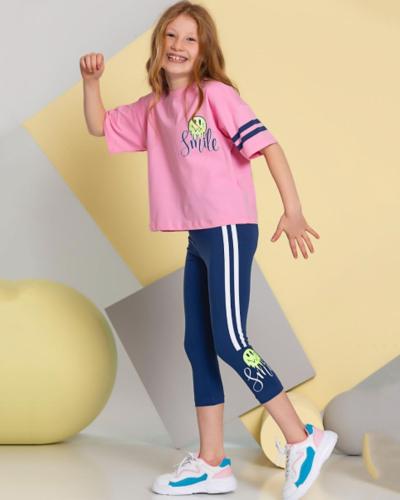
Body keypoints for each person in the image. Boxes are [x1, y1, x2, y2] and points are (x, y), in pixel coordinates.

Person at [80, 1, 338, 498]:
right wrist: (91, 83)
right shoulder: (155, 107)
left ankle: (302, 439)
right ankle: (212, 462)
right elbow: (99, 126)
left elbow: (269, 146)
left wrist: (293, 209)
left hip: (228, 228)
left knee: (230, 340)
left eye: (190, 39)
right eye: (170, 36)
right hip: (199, 235)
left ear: (204, 52)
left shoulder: (215, 95)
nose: (178, 46)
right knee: (198, 345)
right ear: (159, 44)